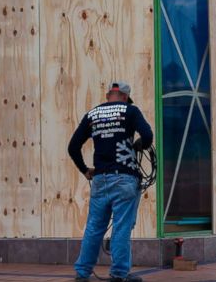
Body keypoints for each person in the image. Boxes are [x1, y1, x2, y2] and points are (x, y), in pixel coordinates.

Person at [68, 81, 154, 282]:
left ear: (108, 96)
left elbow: (73, 147)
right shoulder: (130, 111)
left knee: (94, 227)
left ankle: (82, 273)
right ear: (124, 97)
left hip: (99, 179)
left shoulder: (92, 114)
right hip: (125, 178)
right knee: (122, 227)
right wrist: (139, 144)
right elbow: (148, 136)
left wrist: (85, 170)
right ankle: (119, 274)